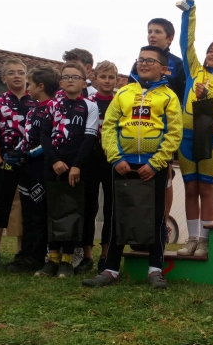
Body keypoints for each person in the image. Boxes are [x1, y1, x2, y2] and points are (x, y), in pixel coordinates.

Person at [82, 45, 183, 289]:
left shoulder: (169, 97)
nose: (144, 64)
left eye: (150, 60)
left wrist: (156, 163)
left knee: (157, 218)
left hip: (154, 168)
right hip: (123, 166)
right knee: (118, 215)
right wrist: (116, 159)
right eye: (141, 60)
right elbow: (109, 127)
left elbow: (174, 132)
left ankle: (155, 270)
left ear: (163, 68)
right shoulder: (124, 93)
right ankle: (110, 269)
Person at [176, 0, 213, 256]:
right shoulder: (195, 71)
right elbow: (186, 42)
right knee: (190, 188)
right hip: (185, 136)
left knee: (206, 188)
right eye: (210, 50)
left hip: (210, 138)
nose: (212, 54)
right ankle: (192, 239)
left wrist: (208, 95)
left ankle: (207, 240)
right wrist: (190, 9)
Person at [37, 61, 99, 278]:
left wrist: (76, 166)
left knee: (73, 211)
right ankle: (52, 258)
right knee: (52, 210)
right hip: (53, 166)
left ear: (84, 82)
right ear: (61, 82)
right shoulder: (52, 105)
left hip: (77, 168)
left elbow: (90, 138)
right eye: (67, 77)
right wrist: (54, 160)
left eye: (76, 77)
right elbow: (44, 135)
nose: (71, 81)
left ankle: (67, 259)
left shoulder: (90, 106)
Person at [5, 67, 60, 273]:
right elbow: (27, 139)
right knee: (27, 213)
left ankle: (37, 257)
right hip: (26, 168)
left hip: (42, 169)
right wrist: (16, 151)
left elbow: (49, 142)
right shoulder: (33, 109)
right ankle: (25, 254)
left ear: (41, 86)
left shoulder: (54, 108)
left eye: (29, 84)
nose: (27, 88)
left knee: (39, 214)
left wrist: (28, 155)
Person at [0, 58, 36, 267]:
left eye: (21, 72)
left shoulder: (36, 100)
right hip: (5, 159)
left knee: (25, 207)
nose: (17, 76)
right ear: (3, 78)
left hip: (30, 161)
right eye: (11, 73)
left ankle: (21, 252)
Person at [144, 18, 186, 241]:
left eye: (157, 32)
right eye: (149, 31)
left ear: (169, 38)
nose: (152, 35)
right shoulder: (140, 62)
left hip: (166, 129)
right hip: (140, 128)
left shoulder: (177, 64)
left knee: (165, 174)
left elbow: (181, 98)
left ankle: (162, 223)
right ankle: (142, 225)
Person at [79, 61, 118, 273]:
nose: (107, 81)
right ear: (95, 78)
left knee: (111, 208)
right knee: (89, 207)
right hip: (90, 159)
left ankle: (106, 254)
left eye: (111, 77)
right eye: (103, 77)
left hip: (112, 160)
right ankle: (87, 254)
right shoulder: (87, 101)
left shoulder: (120, 102)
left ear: (116, 79)